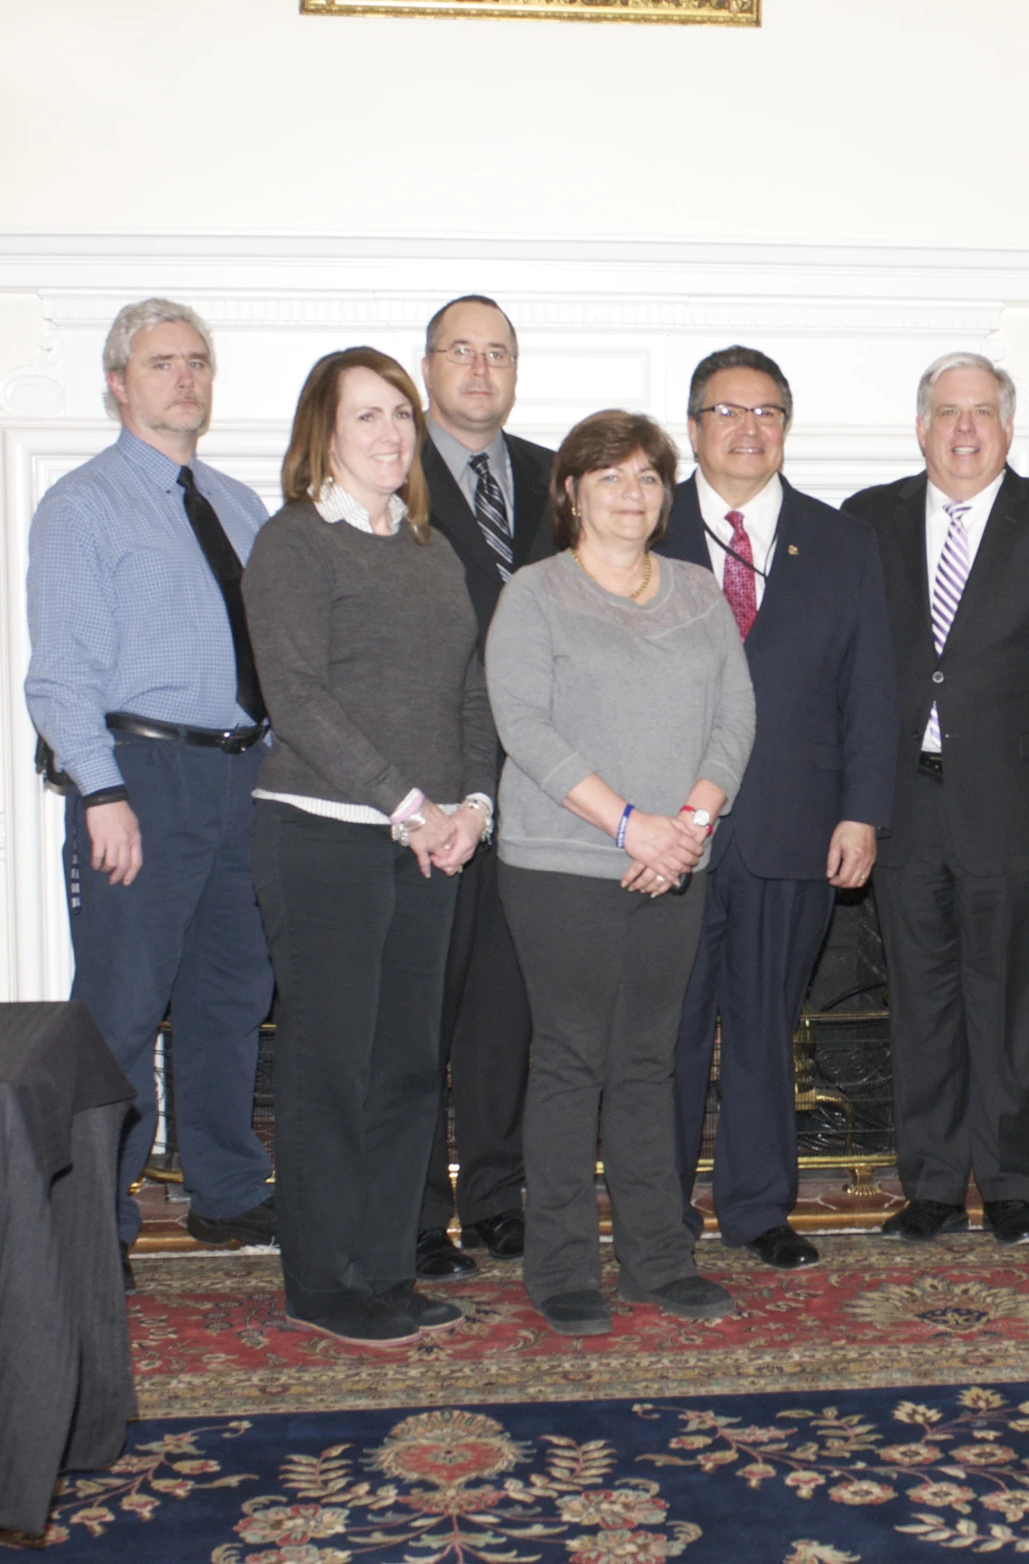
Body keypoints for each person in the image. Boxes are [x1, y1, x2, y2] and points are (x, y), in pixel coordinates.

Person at [844, 352, 1029, 1246]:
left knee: (1011, 1004)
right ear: (920, 427)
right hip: (905, 806)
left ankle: (1008, 1187)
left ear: (1006, 427)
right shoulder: (869, 520)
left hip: (1022, 810)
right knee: (921, 1004)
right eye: (946, 412)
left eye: (980, 412)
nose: (963, 428)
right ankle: (929, 1187)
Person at [244, 346, 496, 1346]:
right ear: (324, 433)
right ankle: (322, 1279)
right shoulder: (293, 543)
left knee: (403, 1070)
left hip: (430, 840)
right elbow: (295, 697)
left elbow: (471, 686)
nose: (391, 433)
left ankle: (389, 1269)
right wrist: (407, 803)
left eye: (401, 414)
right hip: (325, 838)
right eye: (367, 417)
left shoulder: (432, 550)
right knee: (328, 1068)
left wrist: (473, 804)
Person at [485, 409, 755, 1336]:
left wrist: (684, 826)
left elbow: (735, 721)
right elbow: (524, 729)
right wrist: (630, 826)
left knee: (648, 1063)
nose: (632, 493)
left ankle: (656, 1261)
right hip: (563, 861)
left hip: (677, 856)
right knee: (569, 1062)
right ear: (571, 493)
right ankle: (559, 1268)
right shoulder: (535, 593)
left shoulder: (696, 591)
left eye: (647, 477)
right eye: (611, 477)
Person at [25, 298, 277, 1267]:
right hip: (141, 777)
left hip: (243, 774)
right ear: (118, 383)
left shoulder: (240, 506)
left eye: (198, 361)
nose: (186, 377)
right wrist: (101, 790)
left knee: (230, 995)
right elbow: (60, 674)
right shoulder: (82, 505)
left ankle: (225, 1188)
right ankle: (97, 1219)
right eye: (164, 361)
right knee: (123, 1006)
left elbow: (275, 659)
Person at [657, 347, 897, 1270]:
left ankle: (758, 1211)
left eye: (765, 413)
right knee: (667, 1034)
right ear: (692, 426)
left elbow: (870, 690)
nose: (746, 429)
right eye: (726, 412)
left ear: (785, 429)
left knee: (764, 1025)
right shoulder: (641, 521)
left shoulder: (840, 541)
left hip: (794, 828)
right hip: (666, 832)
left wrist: (862, 812)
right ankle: (657, 1211)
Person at [412, 295, 554, 1281]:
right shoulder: (388, 464)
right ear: (428, 368)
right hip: (427, 792)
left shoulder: (556, 479)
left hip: (540, 789)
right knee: (422, 1010)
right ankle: (419, 1213)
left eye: (496, 352)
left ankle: (498, 1199)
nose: (478, 367)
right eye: (459, 351)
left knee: (508, 1012)